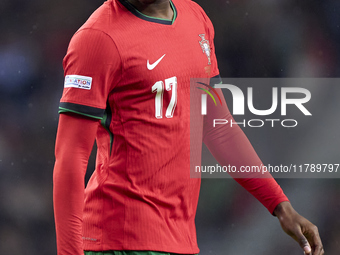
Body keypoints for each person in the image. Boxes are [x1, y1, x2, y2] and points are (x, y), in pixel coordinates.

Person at [53, 0, 324, 255]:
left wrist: (279, 205)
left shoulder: (196, 19)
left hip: (181, 240)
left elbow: (219, 129)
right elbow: (70, 160)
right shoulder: (97, 39)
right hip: (119, 238)